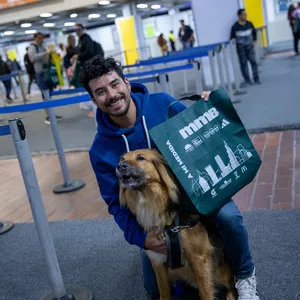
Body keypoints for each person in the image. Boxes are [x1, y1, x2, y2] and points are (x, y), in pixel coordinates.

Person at [80, 56, 260, 300]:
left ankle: (244, 274)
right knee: (154, 289)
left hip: (192, 192)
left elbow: (200, 134)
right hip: (155, 215)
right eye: (100, 92)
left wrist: (206, 107)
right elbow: (115, 204)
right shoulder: (100, 150)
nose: (111, 95)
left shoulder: (162, 103)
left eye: (114, 84)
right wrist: (141, 239)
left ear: (127, 83)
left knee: (229, 217)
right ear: (93, 100)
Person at [28, 32, 62, 124]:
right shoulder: (33, 47)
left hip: (46, 73)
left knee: (48, 95)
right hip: (40, 73)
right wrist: (45, 53)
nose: (41, 40)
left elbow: (46, 59)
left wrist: (52, 55)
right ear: (35, 38)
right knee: (45, 94)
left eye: (42, 38)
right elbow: (32, 58)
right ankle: (48, 116)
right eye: (39, 38)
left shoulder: (42, 47)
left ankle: (51, 115)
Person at [230, 9, 261, 85]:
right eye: (243, 14)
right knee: (243, 64)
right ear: (239, 16)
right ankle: (247, 80)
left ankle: (256, 79)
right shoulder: (235, 27)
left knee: (253, 62)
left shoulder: (250, 24)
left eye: (246, 14)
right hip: (241, 48)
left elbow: (254, 33)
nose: (245, 16)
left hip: (250, 47)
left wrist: (254, 41)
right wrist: (237, 45)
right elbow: (232, 38)